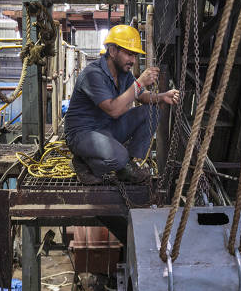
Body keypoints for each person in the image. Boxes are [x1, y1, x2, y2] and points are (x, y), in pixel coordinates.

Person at [65, 25, 181, 184]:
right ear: (112, 51)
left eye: (134, 55)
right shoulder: (93, 74)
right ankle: (83, 163)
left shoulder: (123, 74)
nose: (133, 60)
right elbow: (114, 110)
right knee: (119, 157)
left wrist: (162, 96)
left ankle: (127, 167)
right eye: (129, 54)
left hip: (107, 128)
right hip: (83, 133)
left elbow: (141, 96)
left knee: (152, 112)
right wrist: (140, 83)